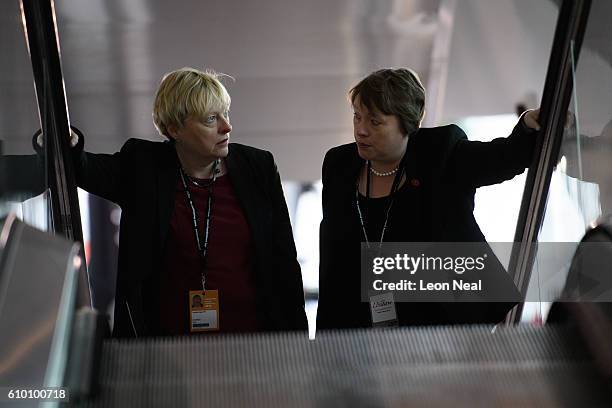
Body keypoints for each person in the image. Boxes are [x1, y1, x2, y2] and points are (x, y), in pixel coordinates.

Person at [57, 67, 307, 336]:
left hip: (251, 341)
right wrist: (66, 140)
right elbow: (83, 168)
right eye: (211, 119)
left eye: (226, 113)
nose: (227, 126)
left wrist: (299, 343)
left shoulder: (258, 167)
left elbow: (284, 262)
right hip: (166, 349)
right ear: (175, 128)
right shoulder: (143, 166)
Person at [317, 68, 541, 330]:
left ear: (406, 123)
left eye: (375, 122)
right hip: (359, 327)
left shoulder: (440, 154)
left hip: (442, 324)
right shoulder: (339, 165)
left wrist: (527, 125)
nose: (361, 130)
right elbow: (334, 257)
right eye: (357, 117)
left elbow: (504, 157)